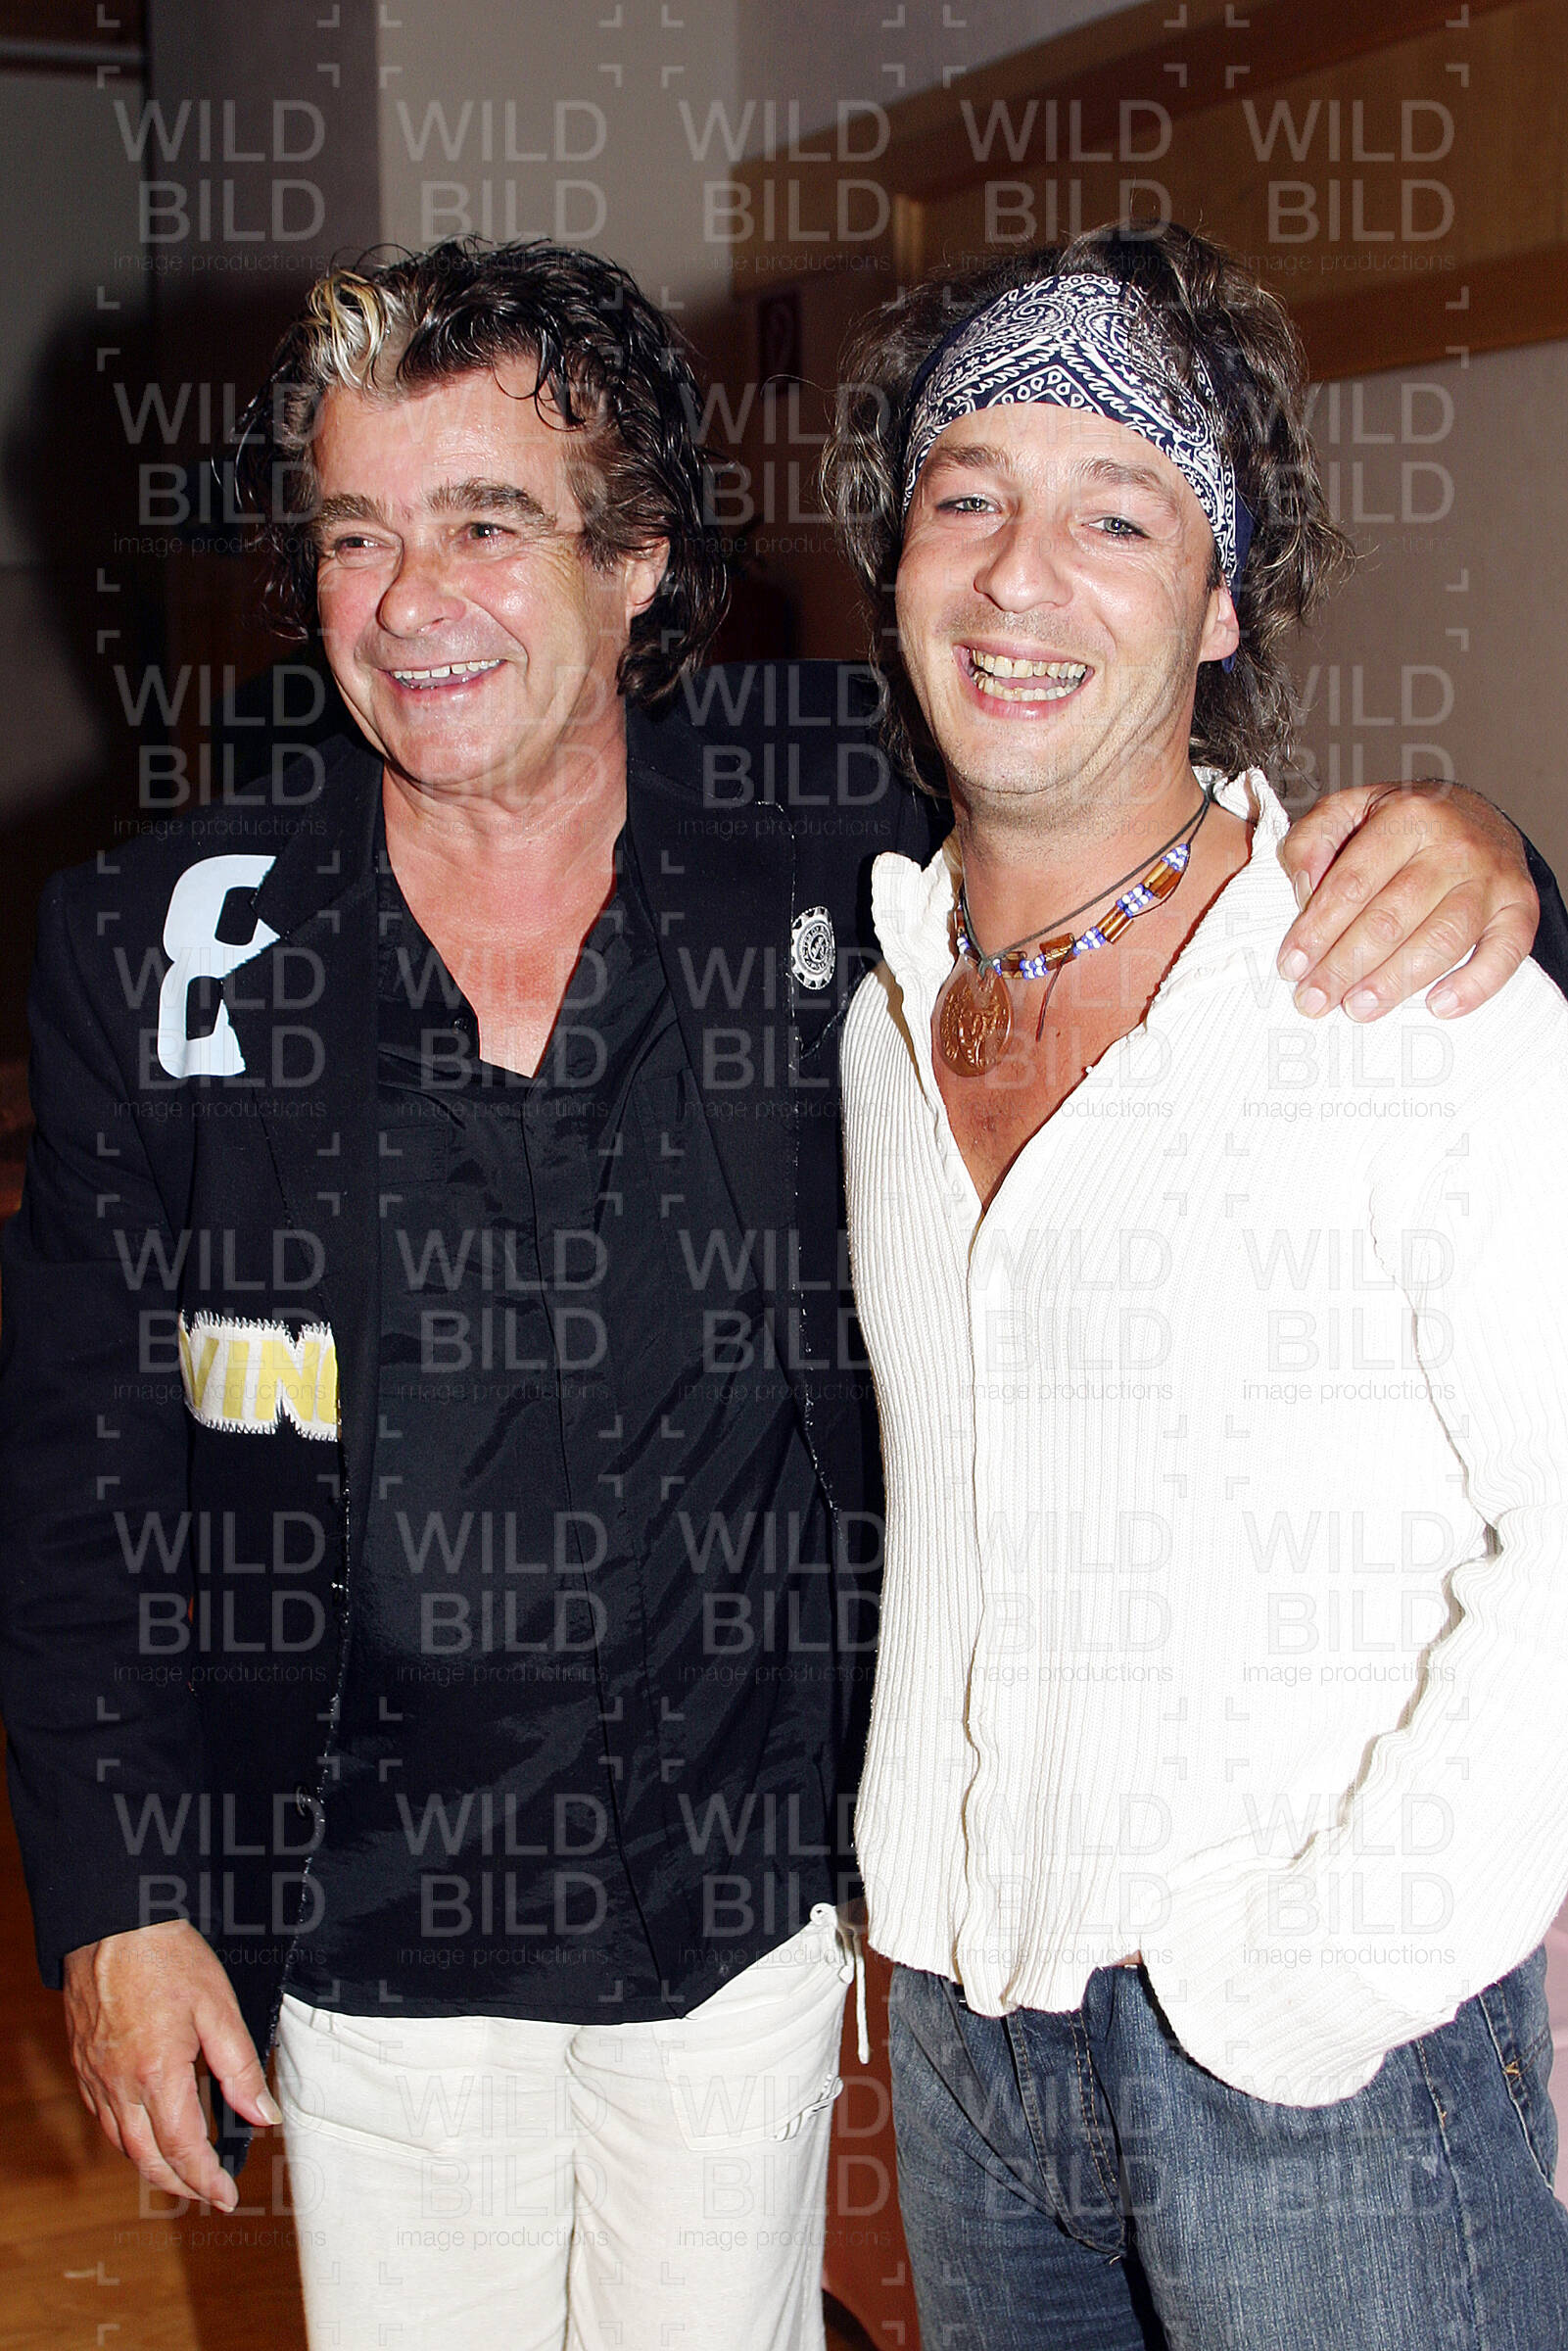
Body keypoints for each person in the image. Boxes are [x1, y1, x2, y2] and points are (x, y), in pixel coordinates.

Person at [0, 237, 1551, 2351]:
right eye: (357, 535)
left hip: (751, 1913)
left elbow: (1150, 810)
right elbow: (74, 1478)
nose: (413, 600)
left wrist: (1488, 849)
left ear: (638, 559)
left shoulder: (828, 824)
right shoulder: (161, 950)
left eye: (488, 525)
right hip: (369, 1918)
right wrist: (118, 1899)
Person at [828, 220, 1568, 2349]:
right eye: (966, 496)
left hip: (1320, 2082)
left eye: (1117, 515)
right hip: (968, 2034)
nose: (1018, 576)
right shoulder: (873, 1015)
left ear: (1223, 599)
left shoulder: (1404, 996)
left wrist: (1323, 1981)